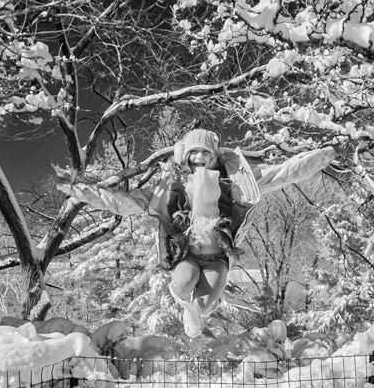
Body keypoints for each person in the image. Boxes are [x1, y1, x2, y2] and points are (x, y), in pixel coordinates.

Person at [59, 127, 335, 337]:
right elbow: (126, 202)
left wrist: (317, 158)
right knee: (181, 284)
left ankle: (195, 310)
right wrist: (82, 191)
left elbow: (282, 173)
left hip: (218, 257)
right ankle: (185, 306)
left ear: (215, 155)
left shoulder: (236, 181)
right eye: (194, 152)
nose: (200, 157)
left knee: (203, 307)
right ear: (186, 156)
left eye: (206, 152)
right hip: (187, 255)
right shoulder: (172, 187)